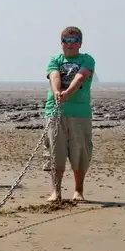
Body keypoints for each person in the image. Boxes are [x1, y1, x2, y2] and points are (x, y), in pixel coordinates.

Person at [43, 26, 95, 203]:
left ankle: (78, 190)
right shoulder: (55, 60)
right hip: (55, 112)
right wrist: (58, 92)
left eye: (73, 41)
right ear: (61, 43)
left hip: (79, 112)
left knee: (80, 152)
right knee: (55, 153)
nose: (69, 44)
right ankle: (56, 191)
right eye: (66, 41)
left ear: (80, 43)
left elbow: (81, 77)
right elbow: (54, 76)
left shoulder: (87, 59)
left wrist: (69, 92)